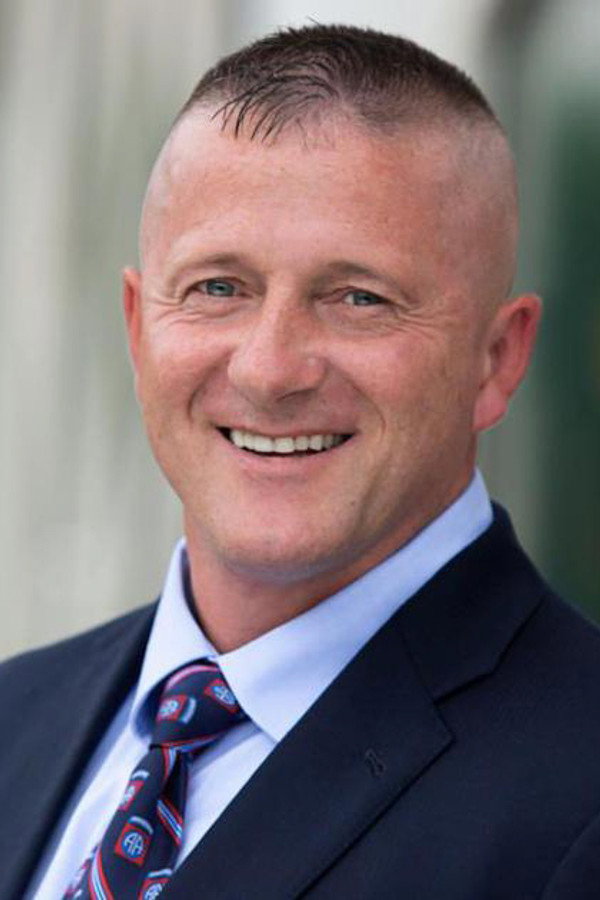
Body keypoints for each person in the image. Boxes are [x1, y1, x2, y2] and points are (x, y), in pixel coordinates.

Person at [2, 23, 600, 900]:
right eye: (217, 288)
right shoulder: (16, 716)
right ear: (138, 326)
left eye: (359, 298)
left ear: (496, 359)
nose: (270, 369)